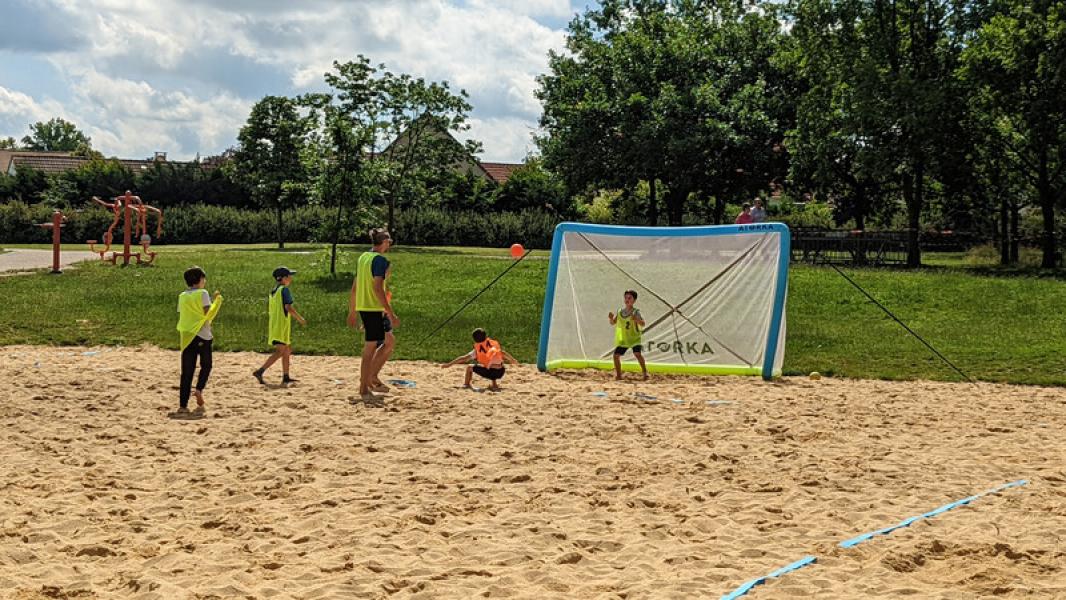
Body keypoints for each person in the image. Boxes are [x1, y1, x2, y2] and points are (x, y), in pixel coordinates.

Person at [349, 228, 399, 403]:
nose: (389, 245)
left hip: (368, 307)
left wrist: (353, 311)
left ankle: (371, 378)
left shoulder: (363, 257)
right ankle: (364, 387)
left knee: (389, 342)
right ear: (384, 242)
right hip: (372, 308)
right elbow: (378, 289)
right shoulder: (379, 261)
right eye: (389, 242)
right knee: (369, 349)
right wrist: (391, 312)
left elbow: (355, 287)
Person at [175, 266, 222, 417]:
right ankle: (199, 389)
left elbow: (184, 313)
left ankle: (183, 405)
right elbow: (208, 313)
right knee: (206, 365)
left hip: (186, 335)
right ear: (200, 280)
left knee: (186, 372)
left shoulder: (182, 295)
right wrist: (218, 301)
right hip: (202, 334)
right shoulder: (203, 293)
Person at [253, 267, 307, 385]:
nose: (290, 278)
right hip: (281, 326)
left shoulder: (274, 291)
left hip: (276, 325)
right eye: (289, 276)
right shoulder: (284, 290)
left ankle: (286, 376)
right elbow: (288, 307)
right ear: (283, 278)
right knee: (280, 351)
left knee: (287, 349)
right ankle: (260, 371)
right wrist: (300, 318)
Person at [441, 328, 519, 391]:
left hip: (490, 372)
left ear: (474, 339)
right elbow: (503, 353)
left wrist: (449, 364)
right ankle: (494, 384)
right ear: (486, 336)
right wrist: (513, 360)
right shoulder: (493, 345)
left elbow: (464, 358)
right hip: (501, 371)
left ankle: (466, 384)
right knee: (491, 363)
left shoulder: (477, 350)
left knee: (469, 367)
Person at [609, 290, 648, 380]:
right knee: (616, 356)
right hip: (624, 339)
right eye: (626, 298)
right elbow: (613, 323)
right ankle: (619, 375)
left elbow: (643, 324)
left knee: (637, 353)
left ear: (634, 300)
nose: (627, 299)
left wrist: (636, 320)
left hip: (634, 338)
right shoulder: (620, 311)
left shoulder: (635, 312)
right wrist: (611, 319)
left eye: (629, 298)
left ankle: (645, 373)